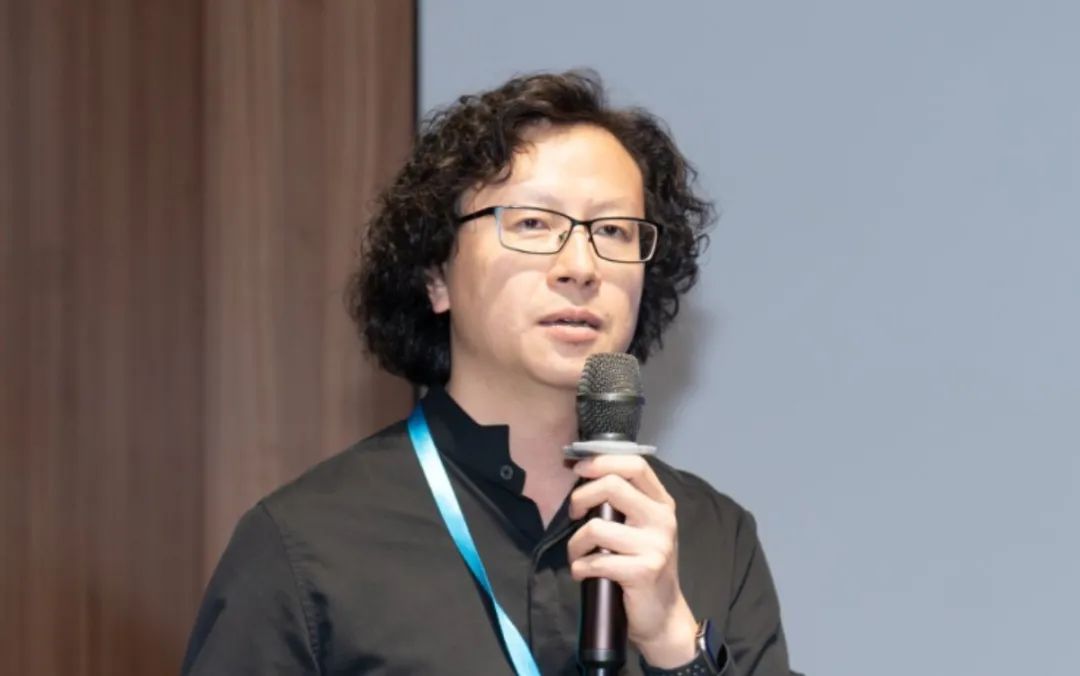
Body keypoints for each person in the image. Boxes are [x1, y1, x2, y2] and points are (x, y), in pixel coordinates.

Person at [181, 71, 799, 675]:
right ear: (436, 275)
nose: (581, 266)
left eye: (612, 230)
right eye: (533, 223)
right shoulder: (308, 543)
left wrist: (674, 646)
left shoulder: (713, 537)